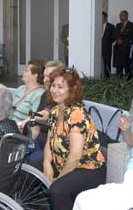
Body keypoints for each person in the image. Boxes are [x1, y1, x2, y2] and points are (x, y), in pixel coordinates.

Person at [44, 67, 106, 210]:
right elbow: (49, 142)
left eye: (60, 87)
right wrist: (47, 164)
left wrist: (58, 179)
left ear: (72, 90)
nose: (54, 90)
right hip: (65, 164)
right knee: (29, 169)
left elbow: (75, 155)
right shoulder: (56, 111)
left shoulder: (76, 114)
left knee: (57, 190)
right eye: (53, 85)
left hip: (88, 169)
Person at [10, 59, 45, 127]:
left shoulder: (40, 94)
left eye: (26, 71)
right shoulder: (21, 88)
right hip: (9, 121)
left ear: (35, 75)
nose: (23, 72)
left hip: (21, 127)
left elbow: (34, 118)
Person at [113, 10, 133, 78]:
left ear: (126, 16)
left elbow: (131, 35)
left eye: (122, 15)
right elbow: (115, 34)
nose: (120, 16)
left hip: (126, 48)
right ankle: (119, 79)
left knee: (126, 66)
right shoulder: (118, 25)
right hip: (118, 48)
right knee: (118, 65)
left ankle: (128, 80)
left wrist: (122, 40)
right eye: (120, 15)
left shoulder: (132, 25)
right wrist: (117, 39)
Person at [102, 11, 115, 78]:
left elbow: (113, 37)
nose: (101, 18)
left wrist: (107, 43)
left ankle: (107, 78)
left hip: (107, 48)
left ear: (105, 17)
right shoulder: (95, 25)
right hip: (97, 49)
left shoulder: (111, 26)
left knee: (107, 64)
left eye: (102, 17)